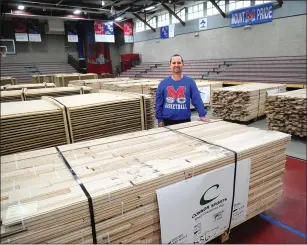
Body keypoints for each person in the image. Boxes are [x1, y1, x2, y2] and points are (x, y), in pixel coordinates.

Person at [155, 54, 210, 127]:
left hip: (185, 120)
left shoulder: (190, 82)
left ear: (183, 64)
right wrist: (160, 119)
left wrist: (202, 115)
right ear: (170, 65)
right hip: (167, 121)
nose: (176, 65)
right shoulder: (163, 83)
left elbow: (197, 99)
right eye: (174, 63)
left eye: (179, 62)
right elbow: (159, 103)